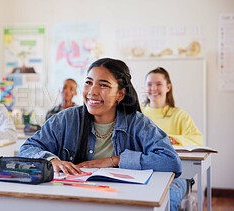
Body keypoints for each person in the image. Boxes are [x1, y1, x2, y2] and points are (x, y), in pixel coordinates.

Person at [18, 58, 188, 211]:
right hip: (77, 198)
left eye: (103, 85)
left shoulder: (138, 123)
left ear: (120, 94)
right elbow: (27, 148)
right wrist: (51, 160)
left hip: (126, 198)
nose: (92, 91)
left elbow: (171, 161)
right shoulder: (65, 119)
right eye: (88, 82)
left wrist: (115, 160)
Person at [142, 67, 203, 146]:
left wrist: (172, 139)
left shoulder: (180, 115)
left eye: (159, 84)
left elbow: (198, 140)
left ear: (168, 87)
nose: (153, 88)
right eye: (149, 84)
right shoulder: (137, 114)